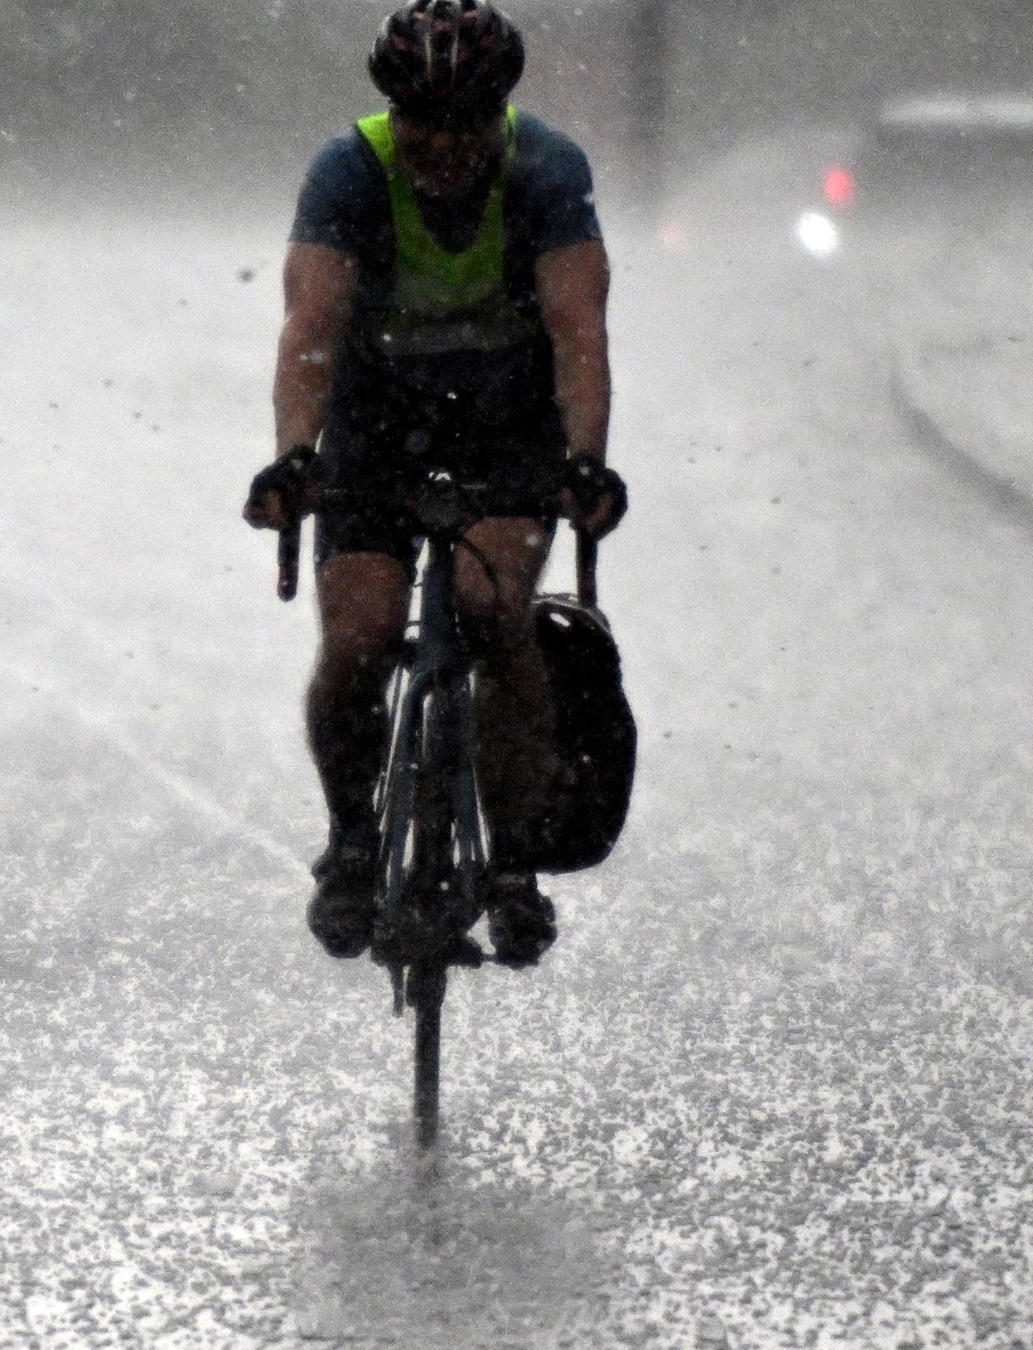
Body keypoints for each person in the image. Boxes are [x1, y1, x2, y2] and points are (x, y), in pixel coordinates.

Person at [243, 0, 623, 966]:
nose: (445, 146)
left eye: (469, 122)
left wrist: (584, 458)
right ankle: (352, 841)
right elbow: (309, 329)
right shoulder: (348, 172)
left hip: (509, 427)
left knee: (491, 610)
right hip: (376, 428)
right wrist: (295, 455)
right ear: (390, 112)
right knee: (359, 640)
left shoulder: (546, 171)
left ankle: (510, 862)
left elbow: (579, 331)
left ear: (503, 113)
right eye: (422, 121)